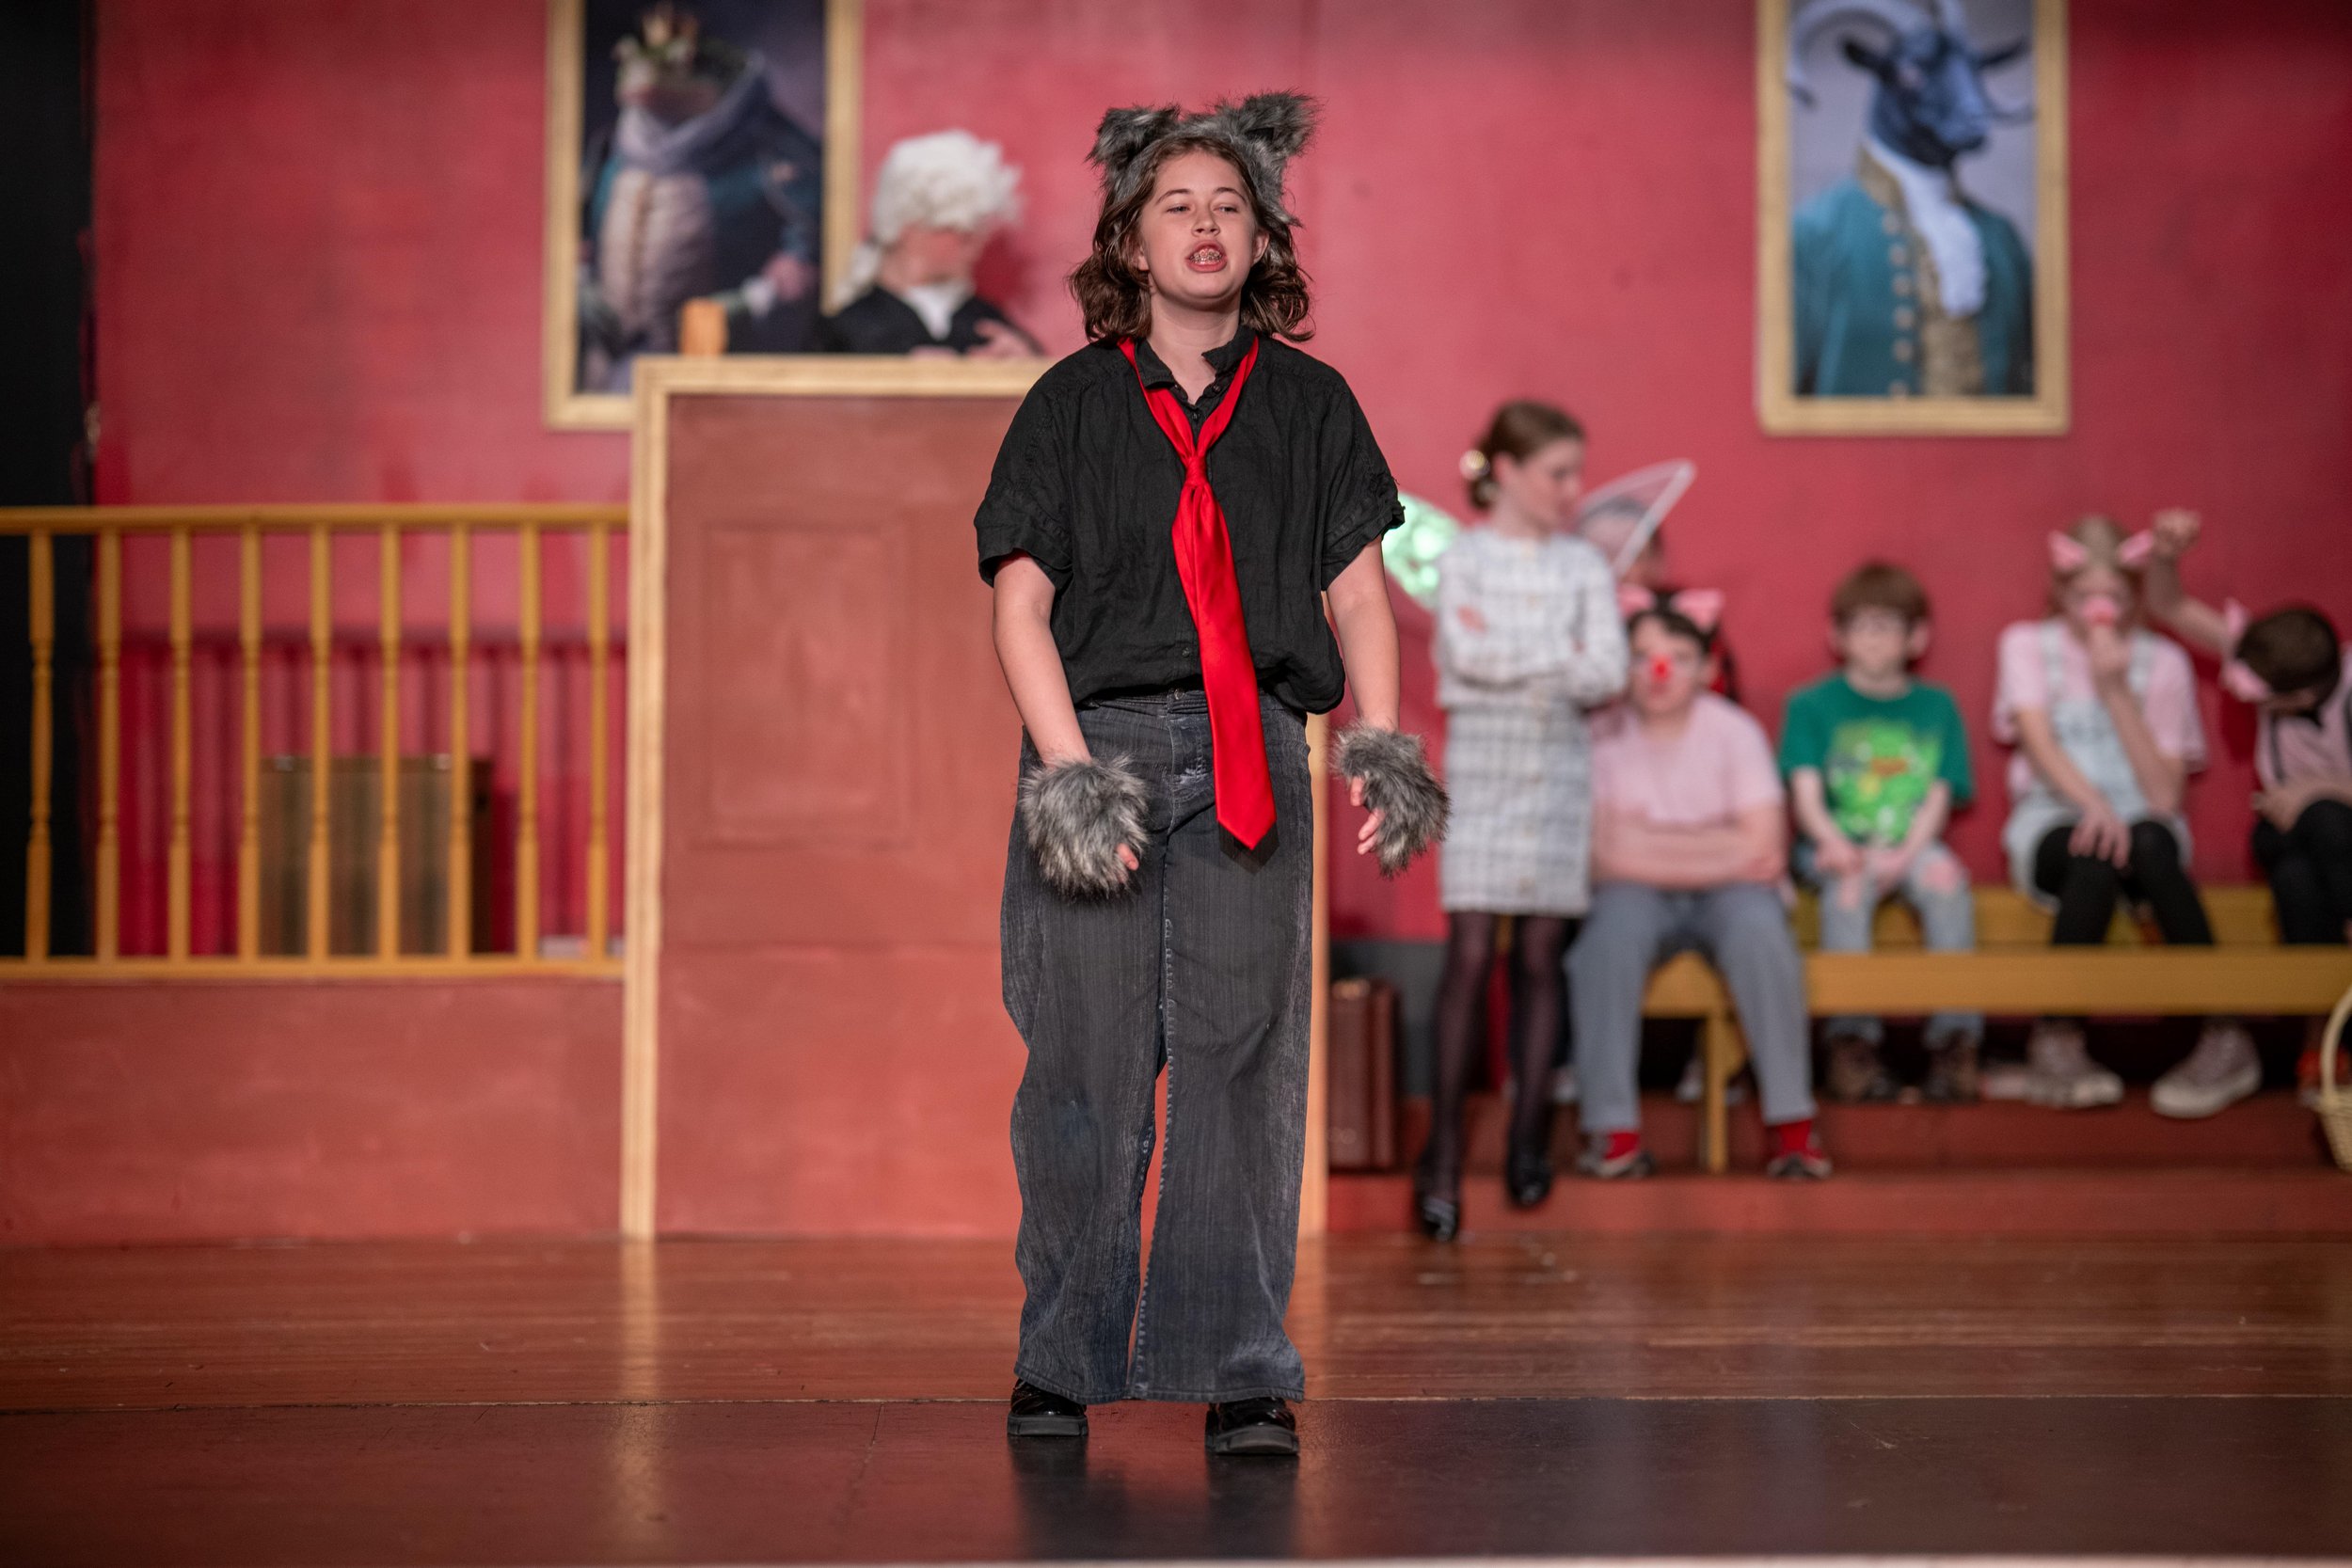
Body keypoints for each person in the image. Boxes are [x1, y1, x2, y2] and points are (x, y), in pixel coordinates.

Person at [973, 95, 1444, 1457]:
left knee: (1243, 1062)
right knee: (1084, 1064)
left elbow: (1357, 593)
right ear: (1129, 241)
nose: (1204, 225)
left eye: (1229, 205)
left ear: (1263, 239)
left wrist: (1381, 736)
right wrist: (1069, 778)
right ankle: (1062, 1357)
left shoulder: (1310, 403)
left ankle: (1238, 1364)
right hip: (1101, 745)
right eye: (1175, 205)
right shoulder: (1070, 404)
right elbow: (1019, 604)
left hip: (1253, 747)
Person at [1417, 402, 1628, 1241]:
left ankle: (1529, 1130)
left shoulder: (1584, 564)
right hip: (1482, 772)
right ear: (1505, 470)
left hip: (1559, 775)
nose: (1573, 489)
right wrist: (1558, 658)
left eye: (1575, 472)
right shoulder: (1462, 557)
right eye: (1557, 472)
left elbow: (1607, 669)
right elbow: (1462, 658)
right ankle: (1442, 1152)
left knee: (1542, 952)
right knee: (1470, 952)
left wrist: (1516, 658)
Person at [1990, 516, 2254, 1117]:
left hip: (2144, 828)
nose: (2098, 609)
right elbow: (2038, 742)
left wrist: (2114, 690)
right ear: (2060, 592)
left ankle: (2225, 1035)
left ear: (2135, 596)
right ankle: (2057, 1041)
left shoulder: (2163, 661)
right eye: (2083, 595)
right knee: (2092, 852)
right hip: (2057, 819)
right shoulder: (2026, 645)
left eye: (2113, 595)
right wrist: (2095, 806)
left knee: (2149, 839)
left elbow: (2162, 796)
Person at [1566, 599, 1831, 1180]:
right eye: (1642, 656)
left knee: (1763, 935)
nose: (1659, 672)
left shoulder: (1736, 732)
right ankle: (1612, 1132)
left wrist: (1646, 842)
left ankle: (1793, 1128)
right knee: (1605, 944)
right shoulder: (1598, 735)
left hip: (1730, 895)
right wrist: (1718, 845)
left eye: (1679, 657)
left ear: (1707, 668)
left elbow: (1764, 849)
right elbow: (1601, 856)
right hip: (1633, 895)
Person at [2142, 509, 2350, 1100]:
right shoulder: (2265, 654)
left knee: (2313, 853)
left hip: (2338, 838)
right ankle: (2324, 1034)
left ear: (2303, 694)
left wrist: (2318, 788)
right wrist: (2164, 555)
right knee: (2296, 855)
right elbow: (2169, 606)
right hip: (2282, 830)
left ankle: (2321, 1039)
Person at [1780, 562, 1980, 1102]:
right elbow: (1804, 794)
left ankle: (1956, 1042)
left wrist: (1906, 855)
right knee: (1846, 889)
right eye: (1862, 625)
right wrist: (1833, 842)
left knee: (1945, 880)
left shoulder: (1937, 706)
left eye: (1888, 625)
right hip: (1834, 842)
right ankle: (1852, 1045)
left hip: (1913, 844)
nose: (1873, 638)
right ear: (1837, 635)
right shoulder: (1809, 704)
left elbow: (1939, 795)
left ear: (1917, 637)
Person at [816, 130, 1042, 357]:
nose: (974, 244)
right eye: (959, 230)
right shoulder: (846, 329)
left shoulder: (989, 323)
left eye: (978, 229)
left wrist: (1026, 365)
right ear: (907, 226)